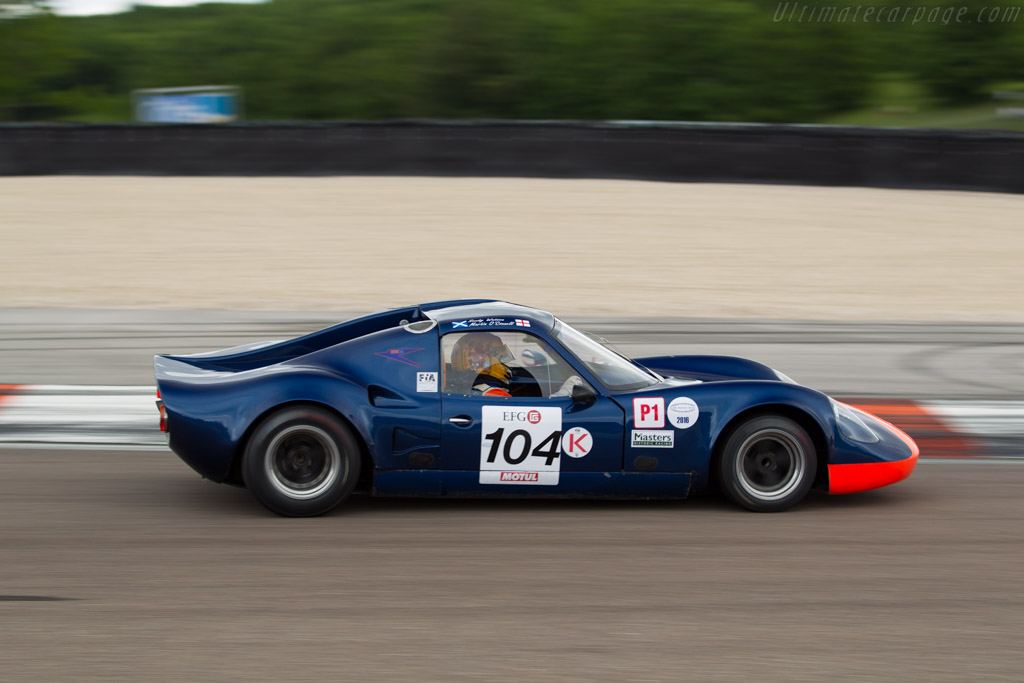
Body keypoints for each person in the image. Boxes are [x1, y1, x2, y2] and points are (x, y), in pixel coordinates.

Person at [450, 332, 515, 397]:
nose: (501, 363)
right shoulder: (494, 394)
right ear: (481, 362)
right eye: (499, 357)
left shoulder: (473, 390)